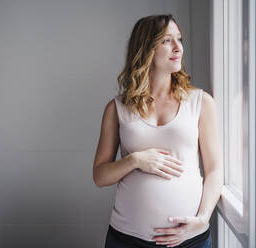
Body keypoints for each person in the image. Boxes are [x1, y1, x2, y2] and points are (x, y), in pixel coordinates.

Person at [93, 14, 223, 248]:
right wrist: (135, 160)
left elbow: (214, 171)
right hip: (126, 239)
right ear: (146, 48)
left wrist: (202, 219)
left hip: (189, 240)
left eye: (179, 39)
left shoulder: (201, 102)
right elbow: (100, 176)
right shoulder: (117, 108)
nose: (178, 48)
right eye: (166, 41)